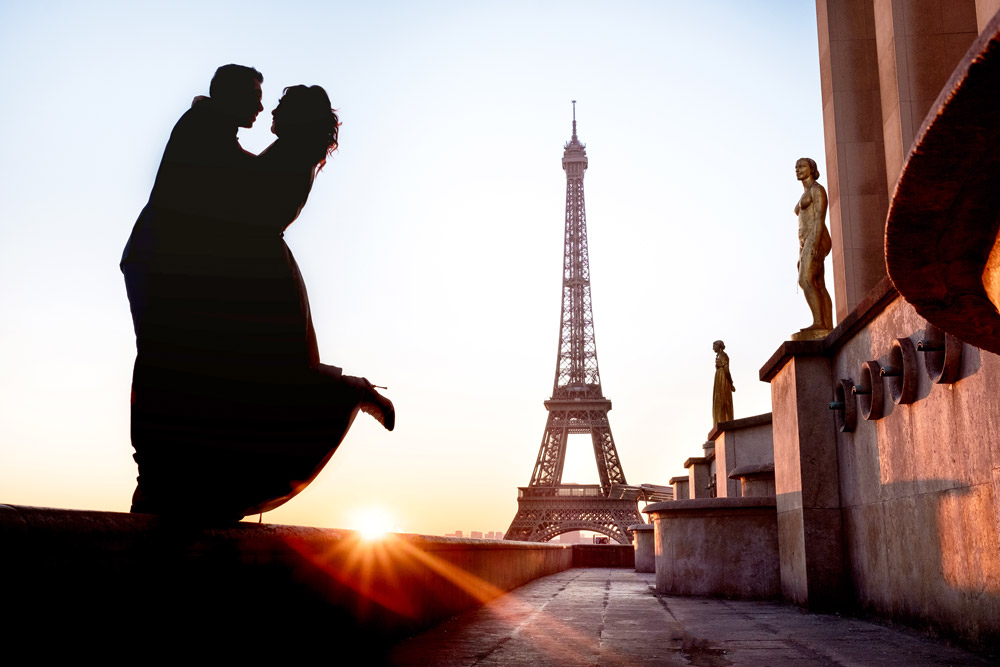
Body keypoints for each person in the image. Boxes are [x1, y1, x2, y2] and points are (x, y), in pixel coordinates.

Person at [122, 68, 391, 521]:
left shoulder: (279, 153)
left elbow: (239, 197)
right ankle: (177, 482)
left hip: (247, 285)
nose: (266, 108)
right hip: (225, 278)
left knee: (201, 378)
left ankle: (168, 482)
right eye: (259, 98)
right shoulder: (227, 136)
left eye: (277, 103)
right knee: (221, 384)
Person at [794, 157, 833, 332]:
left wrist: (816, 244)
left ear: (811, 169)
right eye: (796, 167)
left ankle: (819, 322)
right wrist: (800, 252)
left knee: (805, 280)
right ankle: (826, 324)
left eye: (802, 166)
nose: (798, 169)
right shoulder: (806, 192)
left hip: (815, 238)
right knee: (818, 283)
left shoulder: (817, 190)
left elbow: (820, 218)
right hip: (806, 241)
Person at [712, 340, 734, 425]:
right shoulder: (719, 356)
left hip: (723, 378)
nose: (713, 348)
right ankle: (718, 420)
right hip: (719, 378)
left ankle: (724, 420)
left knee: (723, 399)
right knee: (718, 400)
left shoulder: (724, 356)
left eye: (714, 346)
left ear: (719, 346)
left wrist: (731, 383)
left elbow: (727, 371)